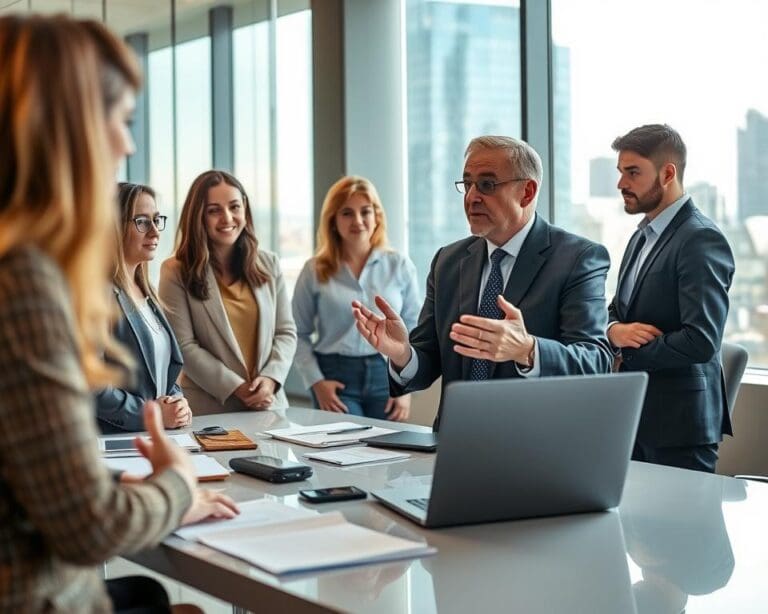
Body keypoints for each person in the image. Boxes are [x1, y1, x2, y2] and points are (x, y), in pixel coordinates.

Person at [0, 14, 237, 613]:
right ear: (66, 129)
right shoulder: (23, 281)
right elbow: (86, 526)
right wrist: (177, 488)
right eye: (118, 120)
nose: (125, 144)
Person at [353, 136, 613, 429]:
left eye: (487, 185)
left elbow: (595, 362)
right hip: (456, 441)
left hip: (538, 447)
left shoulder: (578, 258)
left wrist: (527, 349)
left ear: (526, 192)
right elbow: (429, 359)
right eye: (468, 184)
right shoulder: (448, 261)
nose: (472, 196)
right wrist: (402, 353)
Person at [608, 124, 735, 473]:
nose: (621, 184)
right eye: (620, 172)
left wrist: (627, 355)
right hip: (634, 418)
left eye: (633, 172)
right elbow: (616, 311)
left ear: (667, 173)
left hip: (679, 429)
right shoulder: (640, 237)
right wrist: (613, 332)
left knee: (681, 529)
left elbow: (701, 340)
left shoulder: (700, 239)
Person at [159, 170, 297, 414]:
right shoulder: (175, 271)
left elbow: (285, 332)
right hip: (211, 409)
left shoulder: (269, 263)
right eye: (214, 210)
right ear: (198, 216)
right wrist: (238, 388)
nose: (227, 218)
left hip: (269, 407)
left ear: (245, 209)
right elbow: (184, 346)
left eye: (234, 207)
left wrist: (271, 380)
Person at [292, 176, 420, 421]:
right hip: (334, 377)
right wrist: (316, 382)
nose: (358, 221)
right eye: (347, 213)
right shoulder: (315, 269)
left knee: (384, 454)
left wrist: (407, 386)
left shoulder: (399, 265)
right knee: (342, 450)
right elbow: (297, 333)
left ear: (377, 217)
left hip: (387, 374)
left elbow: (414, 327)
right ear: (333, 220)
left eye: (366, 211)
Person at [96, 182, 192, 432]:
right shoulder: (98, 295)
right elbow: (91, 385)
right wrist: (153, 414)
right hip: (116, 444)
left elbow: (159, 373)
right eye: (141, 221)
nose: (155, 232)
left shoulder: (147, 293)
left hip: (155, 439)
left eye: (157, 220)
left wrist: (177, 402)